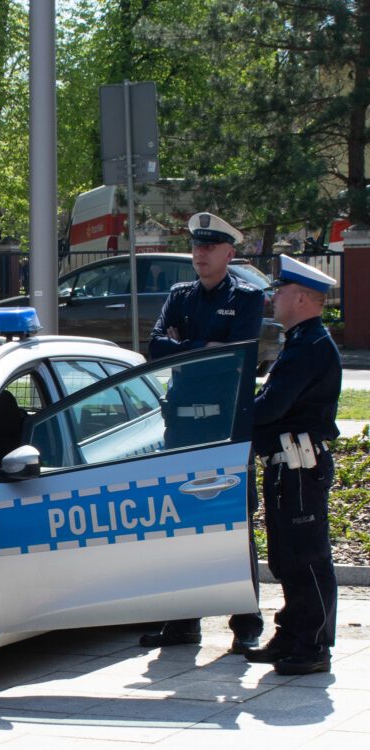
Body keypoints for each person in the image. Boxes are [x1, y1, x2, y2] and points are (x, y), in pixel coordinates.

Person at [140, 212, 266, 652]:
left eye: (210, 248)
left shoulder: (247, 299)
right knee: (182, 520)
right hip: (183, 425)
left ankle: (246, 622)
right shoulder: (180, 296)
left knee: (234, 520)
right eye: (196, 246)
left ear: (229, 253)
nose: (200, 254)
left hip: (225, 424)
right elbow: (155, 348)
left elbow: (234, 357)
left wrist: (186, 349)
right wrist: (201, 349)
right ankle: (182, 621)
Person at [244, 256, 341, 675]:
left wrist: (235, 411)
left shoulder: (309, 346)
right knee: (286, 557)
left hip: (300, 464)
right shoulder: (301, 341)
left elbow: (273, 406)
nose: (273, 298)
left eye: (280, 291)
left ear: (301, 298)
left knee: (306, 557)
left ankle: (314, 644)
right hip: (288, 463)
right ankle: (292, 634)